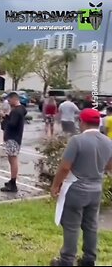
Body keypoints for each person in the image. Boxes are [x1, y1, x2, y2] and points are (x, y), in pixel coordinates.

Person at [50, 108, 112, 266]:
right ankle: (89, 259)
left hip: (76, 189)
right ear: (98, 123)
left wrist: (55, 185)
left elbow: (65, 167)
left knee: (71, 226)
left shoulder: (77, 141)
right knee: (91, 225)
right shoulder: (108, 142)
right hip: (96, 188)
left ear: (82, 122)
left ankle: (66, 261)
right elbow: (110, 166)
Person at [0, 92, 27, 193]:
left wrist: (5, 119)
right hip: (15, 137)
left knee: (13, 159)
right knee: (12, 159)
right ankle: (12, 180)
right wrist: (7, 117)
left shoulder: (16, 111)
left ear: (14, 99)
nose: (8, 102)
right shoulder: (20, 110)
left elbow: (12, 124)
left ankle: (13, 183)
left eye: (9, 100)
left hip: (13, 137)